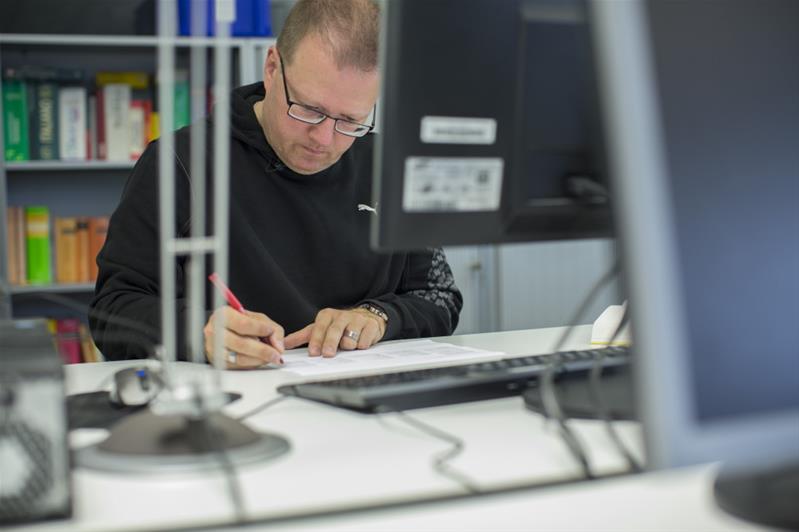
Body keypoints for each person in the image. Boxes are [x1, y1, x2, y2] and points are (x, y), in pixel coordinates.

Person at [89, 0, 463, 369]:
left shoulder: (388, 165)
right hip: (237, 408)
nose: (324, 138)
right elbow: (113, 310)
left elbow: (440, 297)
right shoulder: (180, 163)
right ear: (271, 68)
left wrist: (378, 317)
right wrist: (200, 332)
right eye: (309, 110)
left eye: (351, 119)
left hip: (368, 401)